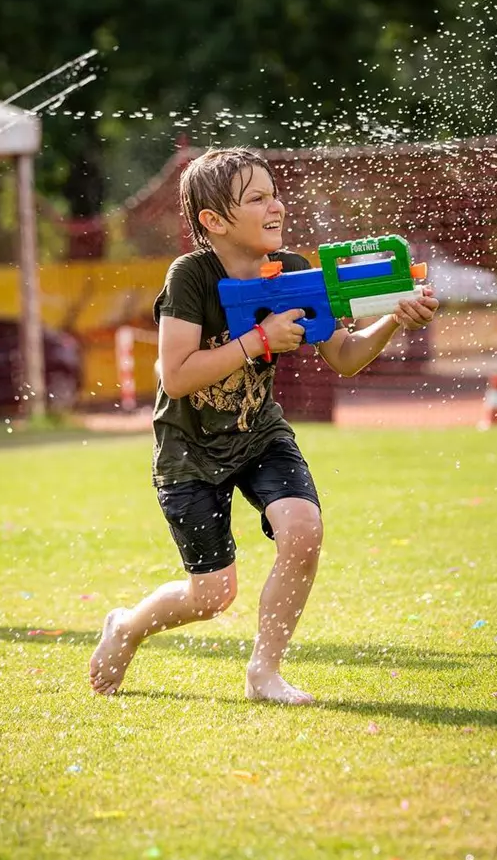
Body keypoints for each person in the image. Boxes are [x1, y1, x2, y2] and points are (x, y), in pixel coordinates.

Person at [88, 147, 439, 704]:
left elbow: (345, 356)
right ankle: (126, 627)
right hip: (189, 450)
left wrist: (392, 319)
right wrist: (258, 340)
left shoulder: (297, 271)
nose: (275, 204)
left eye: (273, 192)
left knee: (303, 531)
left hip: (259, 434)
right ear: (215, 222)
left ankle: (264, 672)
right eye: (256, 198)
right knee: (211, 595)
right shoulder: (191, 277)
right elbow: (175, 377)